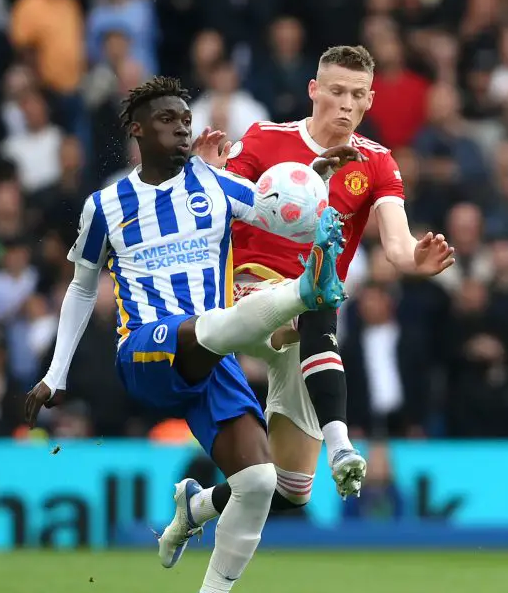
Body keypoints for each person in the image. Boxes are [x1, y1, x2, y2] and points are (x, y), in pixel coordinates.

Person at [23, 77, 347, 593]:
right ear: (137, 130)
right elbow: (80, 290)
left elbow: (276, 211)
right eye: (169, 119)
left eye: (185, 118)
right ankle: (304, 293)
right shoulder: (105, 205)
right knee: (209, 327)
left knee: (260, 480)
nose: (182, 127)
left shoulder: (213, 185)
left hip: (211, 353)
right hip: (147, 347)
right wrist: (56, 374)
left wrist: (313, 182)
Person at [184, 45, 453, 512]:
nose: (346, 103)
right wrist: (206, 172)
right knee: (316, 296)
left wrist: (416, 259)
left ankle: (198, 505)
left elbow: (396, 244)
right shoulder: (265, 139)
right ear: (313, 90)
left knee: (291, 488)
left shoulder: (377, 163)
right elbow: (211, 204)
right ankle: (343, 445)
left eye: (357, 94)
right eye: (336, 91)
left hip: (305, 331)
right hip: (246, 295)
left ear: (370, 100)